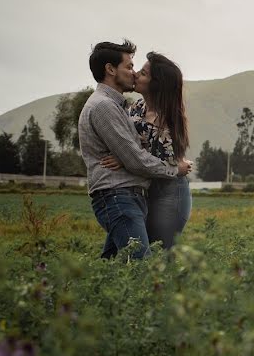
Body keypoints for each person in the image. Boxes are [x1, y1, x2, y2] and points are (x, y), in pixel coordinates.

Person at [78, 40, 191, 260]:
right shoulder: (122, 107)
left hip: (166, 190)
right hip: (124, 192)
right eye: (130, 67)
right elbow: (133, 153)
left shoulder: (166, 118)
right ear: (110, 70)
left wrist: (127, 158)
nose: (135, 73)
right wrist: (127, 158)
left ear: (156, 83)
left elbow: (145, 155)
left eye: (141, 72)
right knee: (140, 263)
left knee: (146, 258)